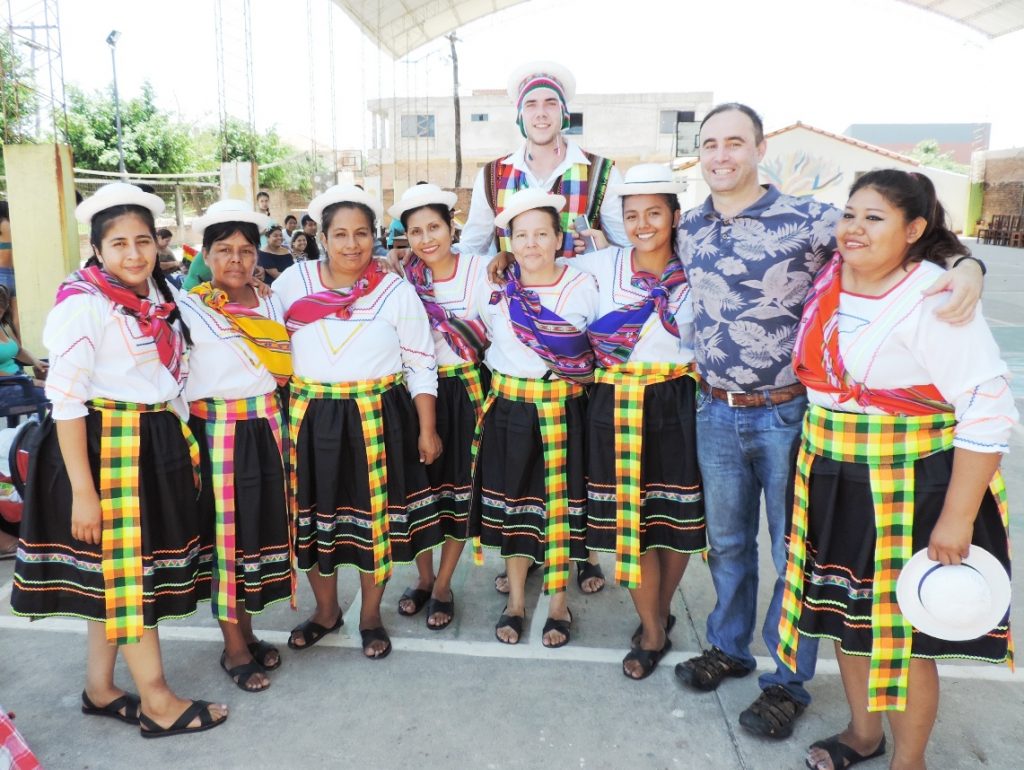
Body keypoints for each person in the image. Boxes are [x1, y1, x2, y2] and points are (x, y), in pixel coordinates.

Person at [672, 103, 986, 739]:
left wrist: (966, 266)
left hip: (790, 414)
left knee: (798, 552)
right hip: (714, 408)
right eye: (709, 144)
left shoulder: (814, 221)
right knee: (728, 544)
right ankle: (728, 645)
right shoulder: (691, 225)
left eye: (735, 142)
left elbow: (914, 238)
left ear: (760, 148)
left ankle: (786, 681)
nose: (721, 155)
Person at [777, 169, 1016, 770]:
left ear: (914, 230)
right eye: (850, 214)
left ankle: (910, 761)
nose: (855, 229)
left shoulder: (935, 297)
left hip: (907, 484)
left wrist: (957, 519)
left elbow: (987, 410)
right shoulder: (831, 278)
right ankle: (864, 736)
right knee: (847, 622)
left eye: (875, 218)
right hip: (833, 474)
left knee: (903, 638)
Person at [10, 182, 228, 737]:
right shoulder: (83, 304)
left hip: (150, 443)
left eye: (143, 241)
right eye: (118, 244)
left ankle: (101, 689)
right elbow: (65, 402)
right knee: (130, 579)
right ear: (97, 251)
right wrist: (85, 492)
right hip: (107, 451)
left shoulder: (159, 296)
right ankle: (157, 702)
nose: (134, 254)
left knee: (121, 576)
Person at [273, 184, 443, 659]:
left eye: (362, 233)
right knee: (312, 520)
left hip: (377, 414)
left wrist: (427, 427)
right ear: (320, 236)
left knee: (375, 525)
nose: (352, 244)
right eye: (341, 234)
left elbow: (420, 361)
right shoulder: (291, 284)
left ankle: (370, 614)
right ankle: (326, 611)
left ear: (376, 237)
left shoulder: (393, 289)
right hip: (309, 418)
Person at [576, 164, 705, 679]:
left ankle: (659, 608)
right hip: (614, 400)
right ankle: (652, 630)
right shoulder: (600, 265)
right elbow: (540, 272)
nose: (643, 224)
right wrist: (500, 256)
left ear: (675, 216)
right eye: (632, 215)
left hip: (677, 399)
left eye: (654, 212)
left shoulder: (699, 267)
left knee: (675, 518)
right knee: (630, 523)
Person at [470, 188, 598, 648]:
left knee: (560, 509)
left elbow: (599, 352)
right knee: (513, 506)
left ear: (558, 237)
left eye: (541, 233)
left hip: (565, 409)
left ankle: (559, 602)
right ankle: (517, 602)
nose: (531, 244)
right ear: (508, 242)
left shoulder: (584, 284)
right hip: (510, 410)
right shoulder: (494, 288)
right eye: (521, 235)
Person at [178, 199, 293, 693]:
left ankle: (248, 629)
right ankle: (233, 647)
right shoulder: (189, 306)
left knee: (257, 535)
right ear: (204, 254)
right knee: (226, 541)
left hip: (267, 427)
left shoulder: (270, 302)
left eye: (246, 251)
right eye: (223, 250)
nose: (236, 261)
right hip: (219, 433)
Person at [388, 183, 489, 630]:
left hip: (466, 391)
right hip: (414, 395)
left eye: (434, 227)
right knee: (418, 491)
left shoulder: (482, 270)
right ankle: (423, 578)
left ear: (452, 227)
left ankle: (445, 584)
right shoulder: (399, 279)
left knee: (457, 493)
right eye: (415, 231)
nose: (427, 239)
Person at [459, 61, 627, 259]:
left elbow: (627, 249)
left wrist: (607, 251)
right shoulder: (492, 175)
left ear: (564, 113)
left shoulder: (602, 173)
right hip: (510, 290)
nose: (541, 113)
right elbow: (472, 247)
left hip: (581, 290)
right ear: (520, 116)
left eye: (551, 103)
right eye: (531, 104)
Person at [0, 201, 19, 338]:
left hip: (1, 275)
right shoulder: (14, 226)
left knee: (2, 321)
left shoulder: (1, 226)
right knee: (16, 319)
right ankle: (23, 350)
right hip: (14, 275)